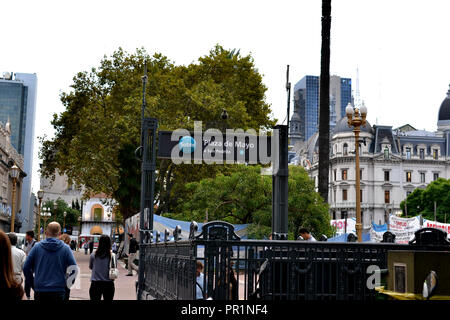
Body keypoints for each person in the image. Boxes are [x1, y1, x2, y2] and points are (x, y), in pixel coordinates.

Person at [23, 222, 78, 301]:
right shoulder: (66, 248)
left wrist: (33, 284)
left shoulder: (37, 247)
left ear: (46, 233)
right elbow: (74, 269)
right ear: (59, 234)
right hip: (58, 290)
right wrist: (67, 285)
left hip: (40, 289)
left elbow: (26, 267)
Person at [89, 235, 116, 301]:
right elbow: (114, 267)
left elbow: (91, 267)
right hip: (109, 284)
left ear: (99, 243)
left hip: (95, 283)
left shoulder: (93, 255)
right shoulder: (112, 256)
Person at [60, 233, 72, 301]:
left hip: (56, 277)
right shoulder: (68, 249)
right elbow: (72, 265)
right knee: (66, 295)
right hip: (66, 276)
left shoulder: (57, 249)